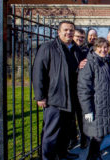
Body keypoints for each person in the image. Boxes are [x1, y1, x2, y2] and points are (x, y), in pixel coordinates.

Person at [33, 21, 81, 160]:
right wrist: (40, 96)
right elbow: (38, 72)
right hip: (54, 97)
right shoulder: (48, 47)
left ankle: (63, 153)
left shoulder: (75, 49)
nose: (69, 33)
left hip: (70, 98)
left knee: (65, 131)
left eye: (71, 30)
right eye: (65, 30)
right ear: (59, 32)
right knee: (51, 132)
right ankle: (46, 157)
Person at [78, 37, 110, 160]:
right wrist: (87, 109)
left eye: (105, 47)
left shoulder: (106, 61)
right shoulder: (90, 63)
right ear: (95, 48)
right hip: (95, 106)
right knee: (97, 135)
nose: (103, 49)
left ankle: (95, 154)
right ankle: (92, 157)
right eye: (100, 47)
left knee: (100, 134)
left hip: (105, 105)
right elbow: (84, 88)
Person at [67, 28, 89, 150]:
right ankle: (72, 138)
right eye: (77, 37)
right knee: (70, 116)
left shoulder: (85, 50)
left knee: (82, 115)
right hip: (70, 87)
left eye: (82, 37)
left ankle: (84, 138)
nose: (80, 39)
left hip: (82, 88)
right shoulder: (68, 49)